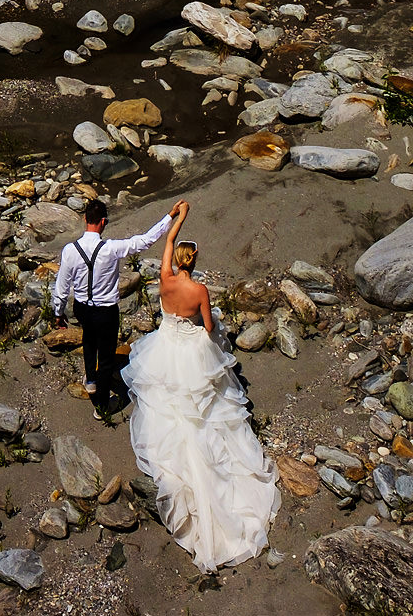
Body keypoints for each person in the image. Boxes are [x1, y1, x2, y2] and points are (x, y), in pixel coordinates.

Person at [121, 200, 281, 572]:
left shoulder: (164, 277)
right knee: (209, 409)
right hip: (191, 347)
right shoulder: (200, 290)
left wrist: (180, 216)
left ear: (178, 259)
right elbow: (209, 328)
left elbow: (166, 244)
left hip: (165, 346)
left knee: (168, 403)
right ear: (195, 261)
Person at [52, 197, 176, 415]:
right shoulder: (112, 248)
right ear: (103, 222)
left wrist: (58, 313)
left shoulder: (70, 250)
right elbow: (145, 240)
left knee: (88, 340)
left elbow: (62, 287)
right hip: (106, 312)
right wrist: (170, 216)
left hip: (82, 308)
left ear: (85, 219)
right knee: (107, 356)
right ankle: (101, 406)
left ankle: (90, 379)